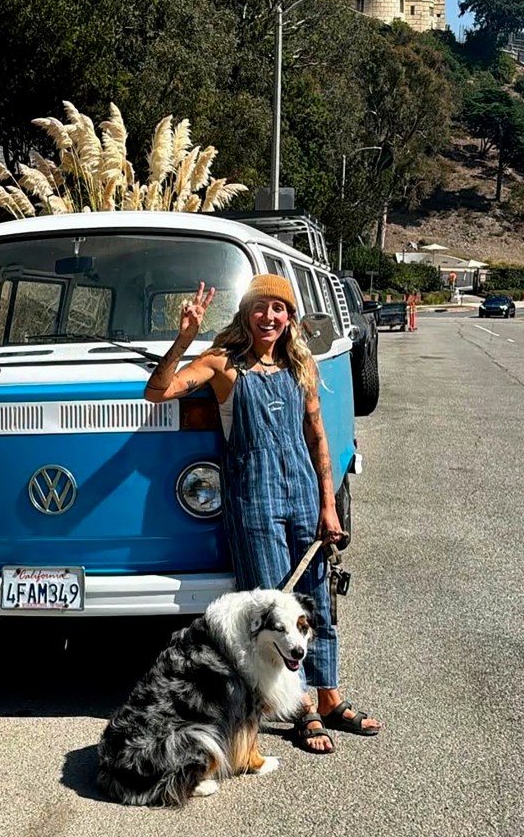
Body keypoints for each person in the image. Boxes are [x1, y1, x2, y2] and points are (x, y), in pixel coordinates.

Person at [144, 275, 382, 754]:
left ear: (289, 317)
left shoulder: (301, 367)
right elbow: (159, 391)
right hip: (255, 503)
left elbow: (317, 437)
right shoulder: (223, 365)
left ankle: (330, 696)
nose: (269, 316)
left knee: (315, 599)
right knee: (274, 611)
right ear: (245, 313)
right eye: (260, 307)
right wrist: (185, 337)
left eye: (279, 308)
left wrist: (328, 505)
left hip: (302, 497)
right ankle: (301, 711)